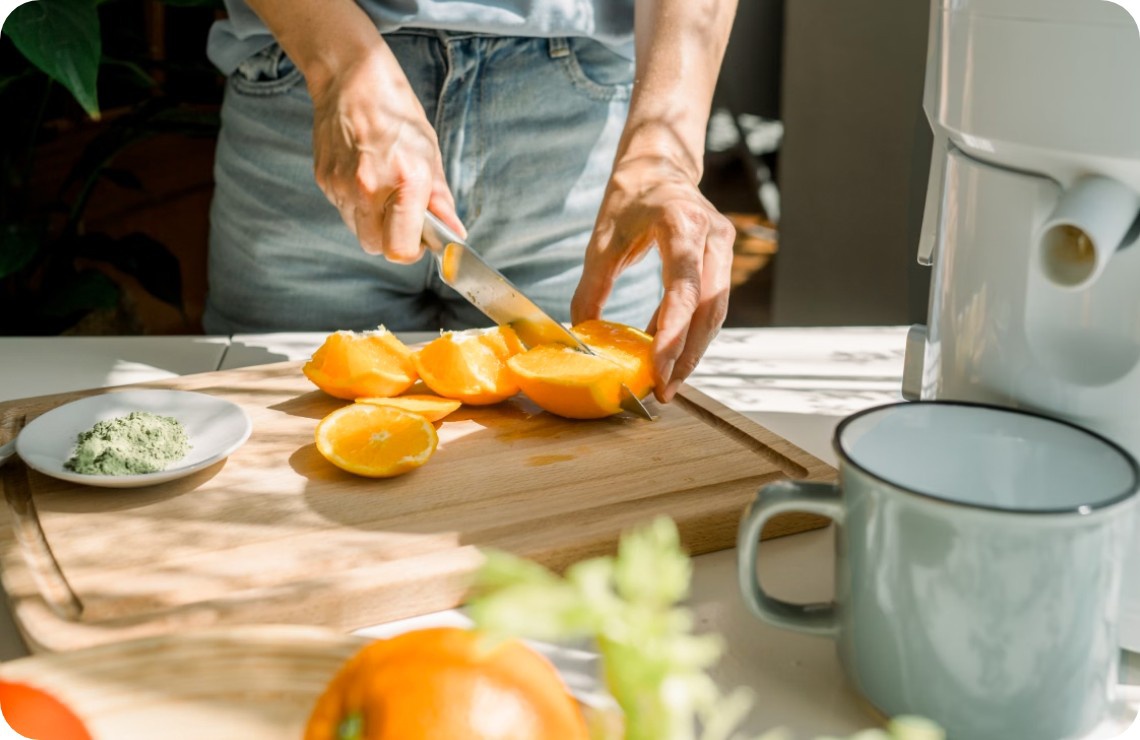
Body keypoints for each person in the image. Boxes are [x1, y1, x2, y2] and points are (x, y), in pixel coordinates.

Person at [203, 0, 738, 403]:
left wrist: (664, 152)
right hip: (308, 85)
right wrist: (342, 64)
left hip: (581, 138)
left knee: (600, 474)